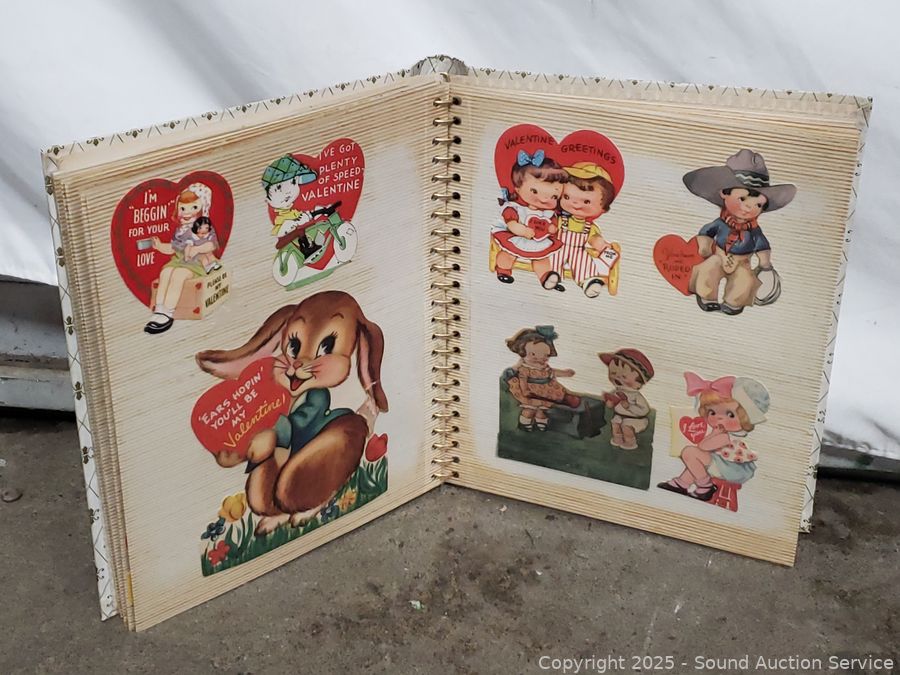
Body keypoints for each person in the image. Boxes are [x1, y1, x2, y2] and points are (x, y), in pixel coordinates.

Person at [684, 149, 796, 315]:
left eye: (758, 205)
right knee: (709, 269)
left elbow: (762, 246)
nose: (749, 207)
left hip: (742, 261)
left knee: (744, 279)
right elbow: (706, 232)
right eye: (742, 199)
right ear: (724, 194)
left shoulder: (754, 231)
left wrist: (765, 263)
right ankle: (707, 296)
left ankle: (734, 303)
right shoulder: (721, 223)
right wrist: (705, 245)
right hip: (719, 255)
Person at [658, 372, 768, 501]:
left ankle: (705, 486)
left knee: (689, 453)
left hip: (731, 469)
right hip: (722, 464)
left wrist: (714, 433)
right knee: (697, 462)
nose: (718, 418)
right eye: (712, 412)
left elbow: (703, 446)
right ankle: (682, 483)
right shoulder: (725, 433)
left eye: (730, 414)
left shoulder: (726, 436)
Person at [492, 150, 567, 291]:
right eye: (535, 191)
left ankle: (546, 278)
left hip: (538, 241)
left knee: (542, 259)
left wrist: (552, 228)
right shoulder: (515, 208)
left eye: (553, 197)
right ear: (518, 188)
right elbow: (510, 222)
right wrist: (520, 229)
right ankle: (503, 270)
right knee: (508, 253)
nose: (544, 199)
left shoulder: (548, 213)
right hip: (516, 237)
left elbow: (552, 225)